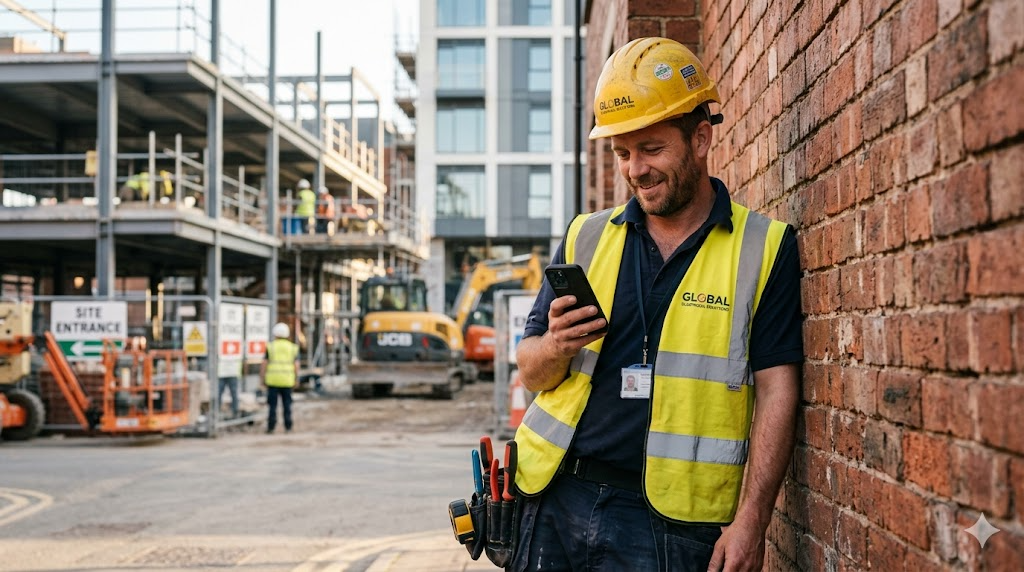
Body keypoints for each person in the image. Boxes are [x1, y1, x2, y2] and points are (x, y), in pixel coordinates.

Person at [510, 37, 803, 572]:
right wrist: (554, 345)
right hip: (556, 499)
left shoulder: (763, 248)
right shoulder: (586, 237)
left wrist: (752, 521)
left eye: (651, 149)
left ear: (701, 139)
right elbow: (530, 371)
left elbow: (779, 388)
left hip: (672, 527)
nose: (634, 170)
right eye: (622, 153)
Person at [261, 322, 299, 433]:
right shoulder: (292, 347)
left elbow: (264, 363)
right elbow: (296, 365)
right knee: (287, 405)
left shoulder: (271, 346)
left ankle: (271, 427)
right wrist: (296, 378)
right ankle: (288, 427)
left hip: (272, 380)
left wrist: (262, 378)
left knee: (272, 406)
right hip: (287, 380)